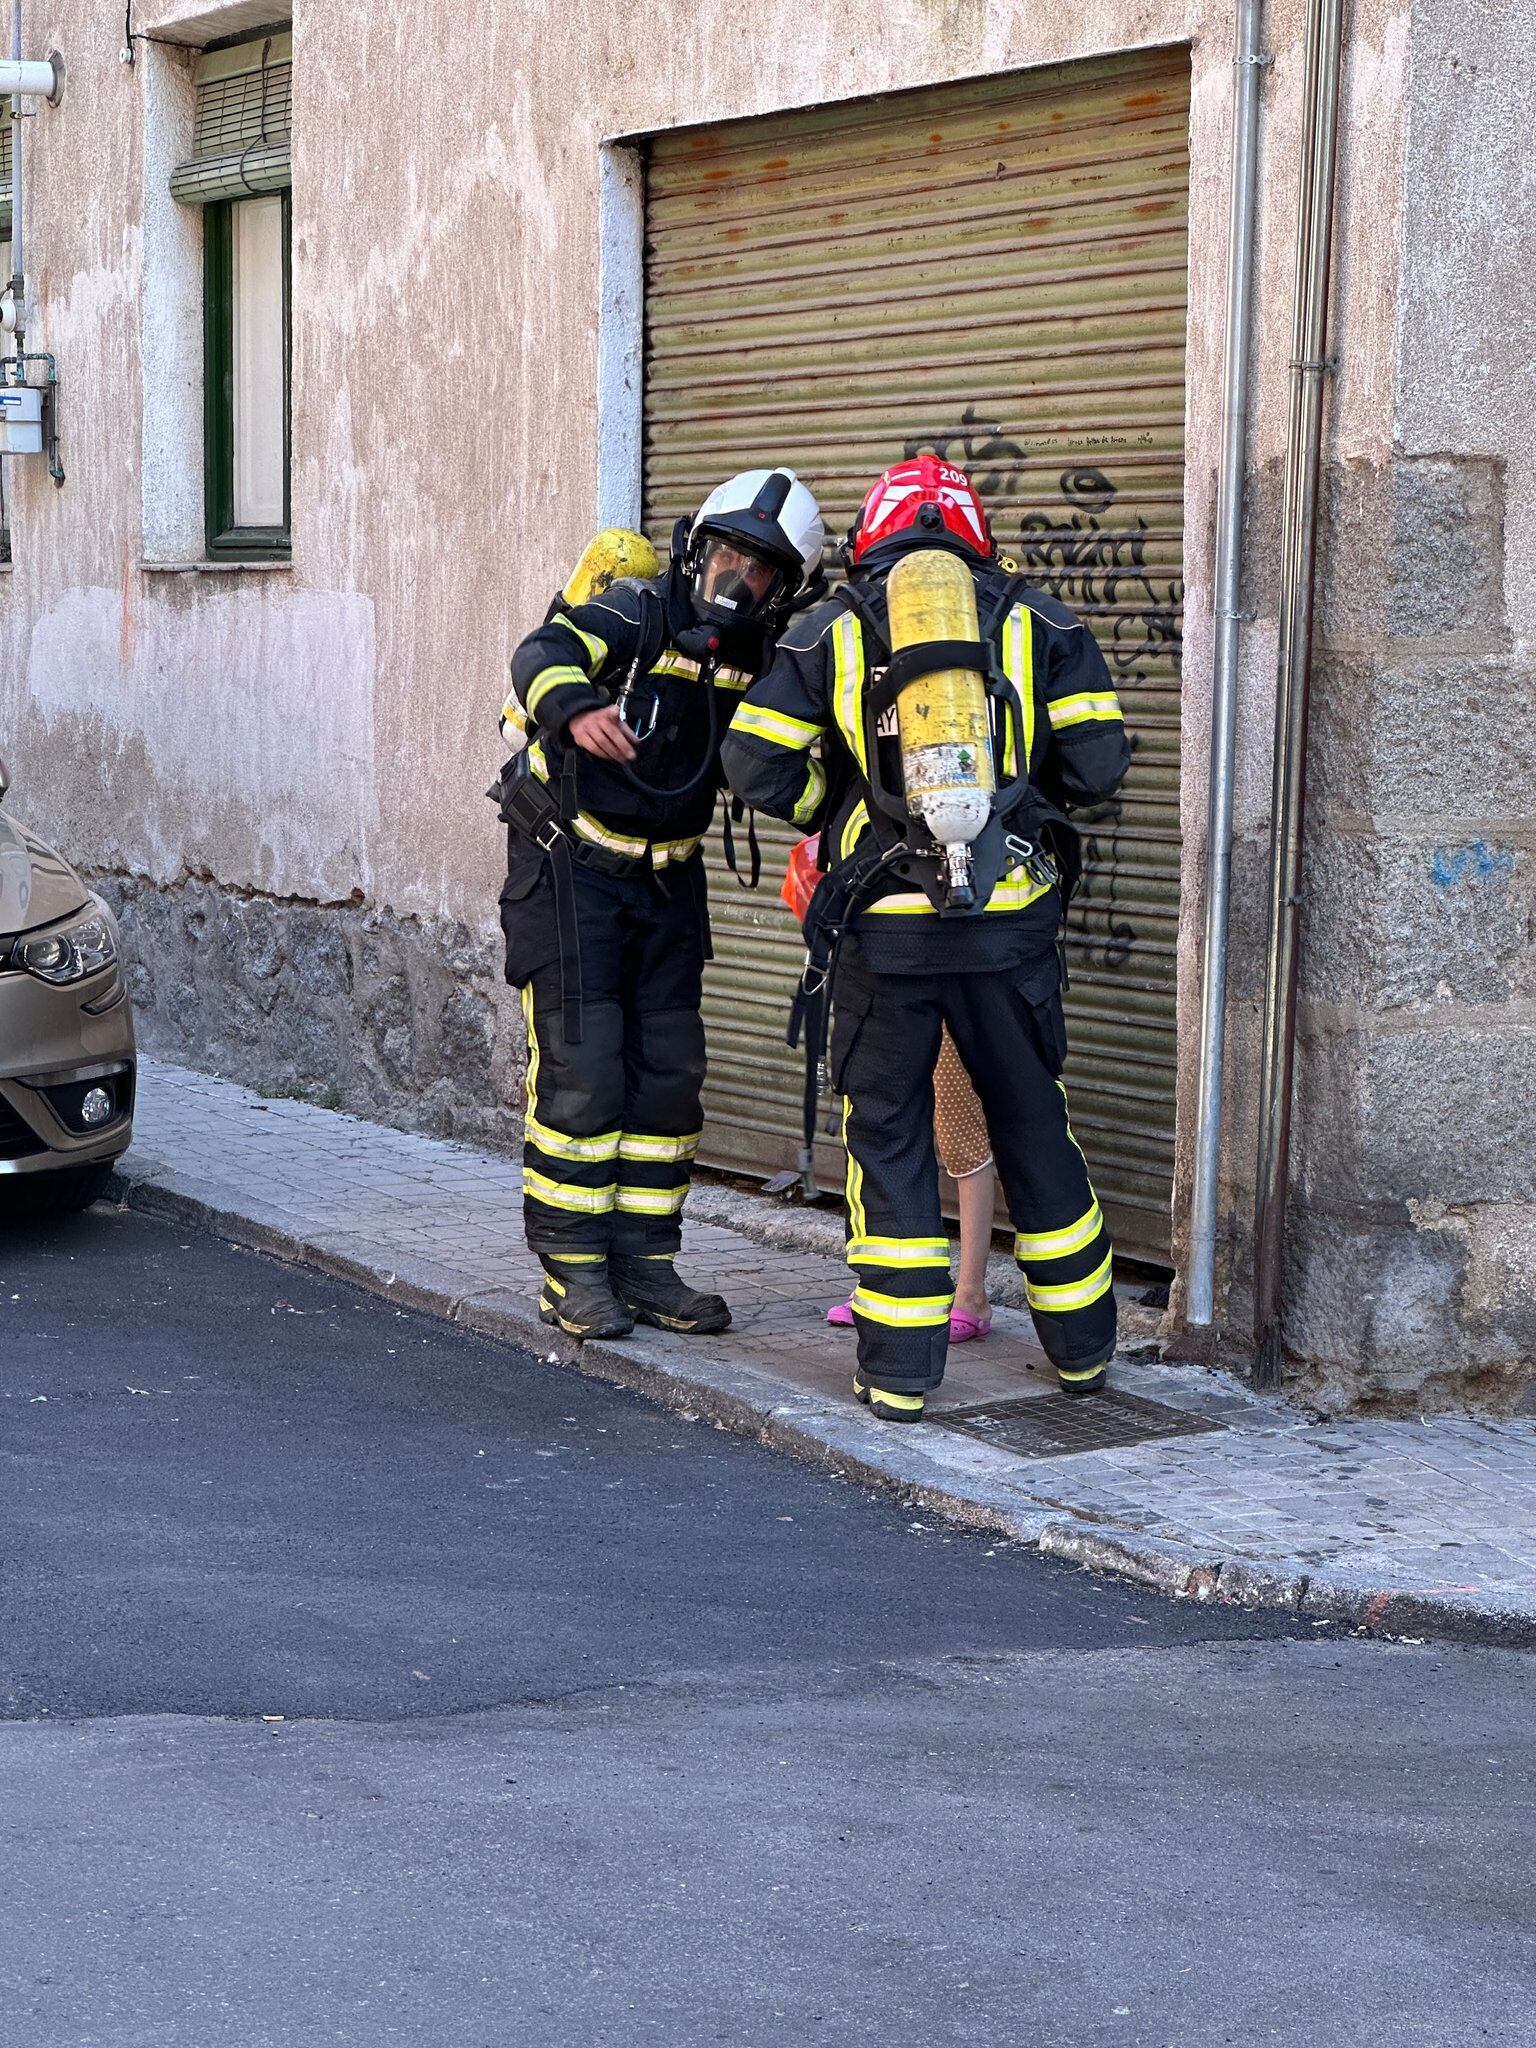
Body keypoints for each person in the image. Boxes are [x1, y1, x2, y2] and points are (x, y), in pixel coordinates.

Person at [721, 454, 1130, 1423]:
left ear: (872, 540)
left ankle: (900, 1373)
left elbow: (753, 762)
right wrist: (1014, 800)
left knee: (890, 1131)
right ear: (977, 539)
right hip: (1008, 929)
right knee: (1032, 1120)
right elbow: (1099, 765)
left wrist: (841, 811)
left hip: (887, 934)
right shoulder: (1044, 622)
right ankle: (1082, 1354)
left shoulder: (830, 627)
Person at [499, 470, 826, 1341]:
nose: (735, 580)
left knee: (669, 1078)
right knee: (584, 1070)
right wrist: (574, 707)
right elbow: (541, 651)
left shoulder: (767, 658)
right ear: (695, 548)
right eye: (726, 556)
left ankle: (646, 1265)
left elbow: (794, 757)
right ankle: (572, 1272)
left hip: (669, 880)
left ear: (782, 588)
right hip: (569, 870)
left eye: (759, 570)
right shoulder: (635, 613)